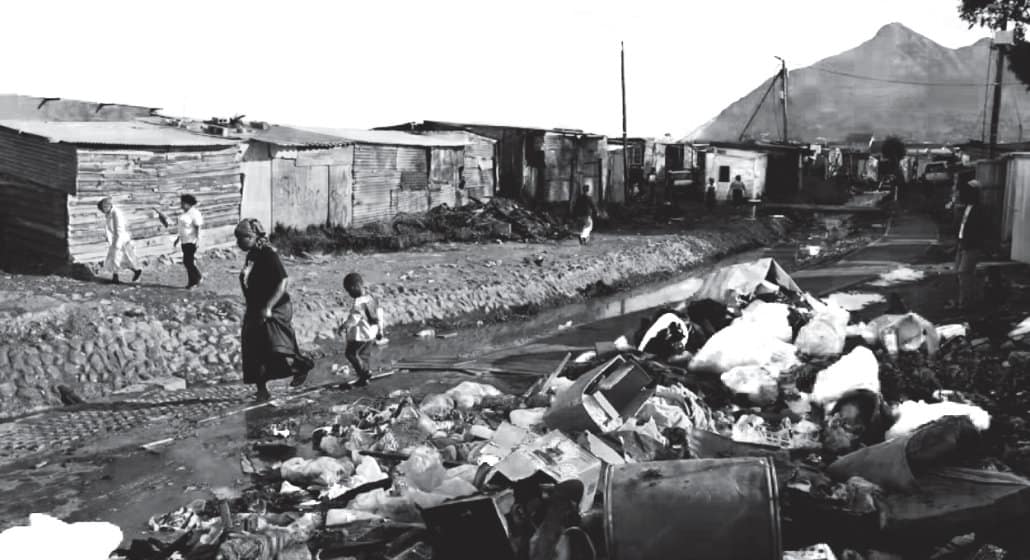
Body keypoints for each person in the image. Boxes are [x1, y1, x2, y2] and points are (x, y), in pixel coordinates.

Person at [235, 218, 312, 402]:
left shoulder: (268, 254)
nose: (238, 243)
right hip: (256, 308)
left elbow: (283, 282)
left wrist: (268, 307)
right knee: (253, 350)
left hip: (275, 308)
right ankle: (262, 390)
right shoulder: (252, 255)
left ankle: (301, 367)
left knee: (277, 348)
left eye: (242, 239)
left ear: (253, 236)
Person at [340, 272, 385, 387]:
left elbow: (354, 319)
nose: (349, 294)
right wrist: (380, 330)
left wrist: (344, 326)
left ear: (354, 287)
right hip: (371, 333)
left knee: (350, 354)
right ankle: (364, 379)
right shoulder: (372, 298)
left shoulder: (358, 302)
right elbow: (379, 314)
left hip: (360, 335)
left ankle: (364, 373)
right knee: (364, 355)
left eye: (349, 291)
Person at [953, 179, 988, 311]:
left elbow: (981, 230)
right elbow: (962, 226)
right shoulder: (966, 207)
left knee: (964, 273)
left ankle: (966, 303)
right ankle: (972, 298)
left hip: (971, 246)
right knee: (962, 273)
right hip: (962, 243)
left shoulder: (980, 210)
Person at [98, 197, 142, 284]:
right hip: (115, 239)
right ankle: (119, 276)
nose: (102, 211)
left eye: (102, 209)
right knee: (116, 259)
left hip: (121, 240)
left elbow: (119, 229)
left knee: (120, 258)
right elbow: (109, 227)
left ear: (107, 207)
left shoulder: (116, 214)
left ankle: (134, 271)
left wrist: (117, 244)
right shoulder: (109, 213)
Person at [174, 194, 204, 289]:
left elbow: (198, 226)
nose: (181, 205)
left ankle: (195, 280)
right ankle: (194, 279)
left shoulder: (195, 213)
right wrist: (178, 239)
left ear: (188, 204)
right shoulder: (184, 214)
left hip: (191, 241)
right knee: (188, 262)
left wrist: (198, 239)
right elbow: (182, 228)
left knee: (188, 261)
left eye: (183, 203)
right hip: (184, 240)